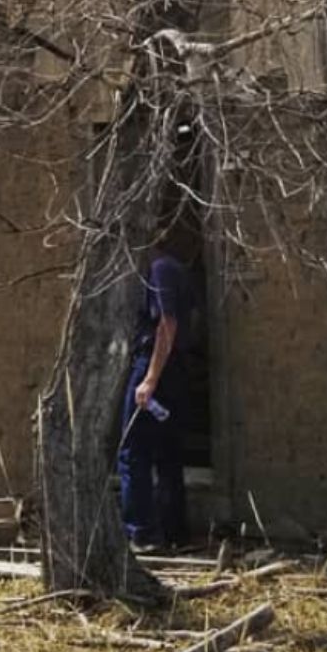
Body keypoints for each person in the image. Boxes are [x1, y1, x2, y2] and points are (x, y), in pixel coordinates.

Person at [117, 232, 198, 549]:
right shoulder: (177, 270)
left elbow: (168, 323)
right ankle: (174, 532)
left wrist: (149, 379)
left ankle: (142, 532)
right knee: (168, 454)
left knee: (132, 452)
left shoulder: (161, 270)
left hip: (157, 368)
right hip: (174, 371)